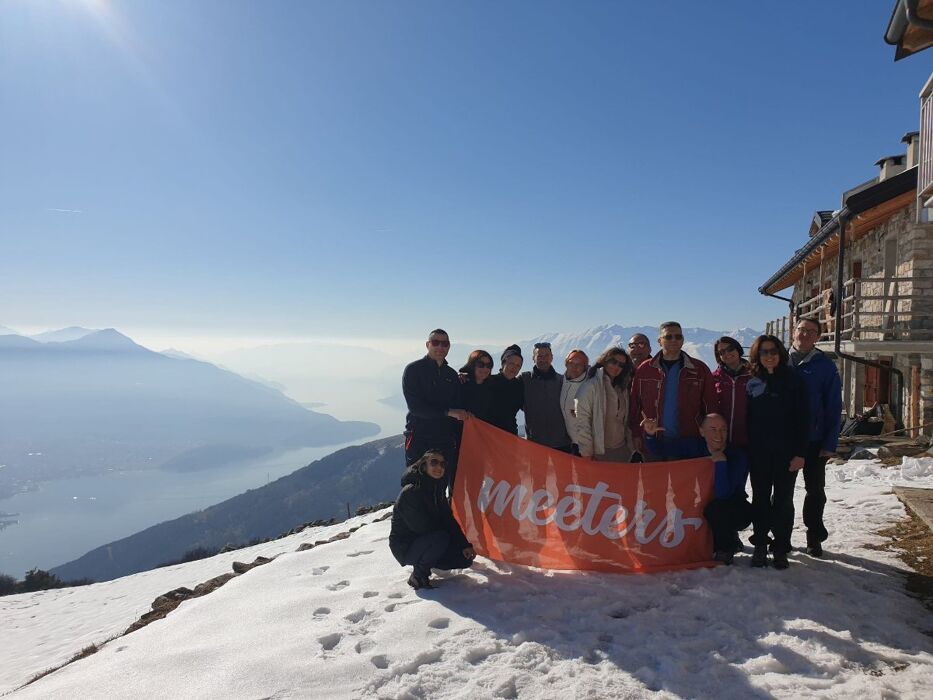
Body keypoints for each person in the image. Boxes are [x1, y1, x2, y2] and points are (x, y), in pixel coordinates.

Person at [745, 335, 810, 570]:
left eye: (773, 351)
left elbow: (804, 420)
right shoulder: (752, 382)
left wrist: (800, 453)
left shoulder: (794, 381)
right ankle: (761, 545)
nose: (769, 356)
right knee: (760, 499)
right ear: (757, 356)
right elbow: (747, 420)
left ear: (780, 354)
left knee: (783, 500)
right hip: (759, 452)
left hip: (787, 453)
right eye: (763, 352)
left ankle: (781, 547)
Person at [790, 317, 842, 557]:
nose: (805, 335)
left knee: (815, 491)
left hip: (814, 440)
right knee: (782, 492)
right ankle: (782, 534)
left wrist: (830, 443)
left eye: (811, 332)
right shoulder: (778, 360)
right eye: (802, 330)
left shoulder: (825, 365)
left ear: (818, 337)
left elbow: (833, 406)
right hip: (784, 440)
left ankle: (814, 535)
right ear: (794, 331)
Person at [630, 321, 716, 461]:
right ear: (660, 341)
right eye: (669, 337)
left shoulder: (699, 369)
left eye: (678, 337)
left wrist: (710, 433)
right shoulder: (645, 370)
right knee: (656, 481)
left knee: (685, 482)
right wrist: (636, 434)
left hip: (689, 441)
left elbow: (710, 405)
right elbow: (635, 404)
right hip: (654, 441)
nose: (674, 340)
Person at [389, 450, 476, 589]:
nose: (439, 467)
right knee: (440, 538)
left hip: (428, 541)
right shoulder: (410, 492)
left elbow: (448, 520)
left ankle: (428, 560)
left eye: (442, 464)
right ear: (424, 466)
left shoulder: (436, 491)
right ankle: (418, 576)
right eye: (434, 462)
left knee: (463, 559)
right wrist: (447, 538)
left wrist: (463, 544)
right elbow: (421, 527)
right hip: (405, 546)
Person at [402, 329, 469, 487]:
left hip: (443, 439)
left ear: (449, 346)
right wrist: (448, 412)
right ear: (427, 345)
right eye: (435, 342)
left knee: (441, 485)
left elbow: (458, 404)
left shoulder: (452, 375)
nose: (440, 347)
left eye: (444, 343)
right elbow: (415, 407)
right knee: (416, 485)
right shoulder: (413, 370)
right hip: (419, 437)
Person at [699, 413, 752, 565]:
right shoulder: (697, 446)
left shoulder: (738, 455)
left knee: (715, 509)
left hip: (737, 509)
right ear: (702, 431)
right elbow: (664, 449)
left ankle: (725, 549)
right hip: (708, 505)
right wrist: (650, 435)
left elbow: (723, 494)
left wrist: (721, 462)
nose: (719, 434)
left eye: (723, 430)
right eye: (713, 429)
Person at [574, 347, 634, 462]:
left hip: (622, 450)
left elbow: (625, 421)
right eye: (613, 362)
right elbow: (582, 421)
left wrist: (630, 447)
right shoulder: (591, 386)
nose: (616, 367)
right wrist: (586, 453)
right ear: (604, 361)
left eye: (621, 365)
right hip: (599, 453)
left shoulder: (621, 388)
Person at [521, 342, 573, 452]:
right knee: (537, 470)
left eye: (546, 356)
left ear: (552, 357)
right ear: (533, 358)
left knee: (563, 470)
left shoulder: (562, 381)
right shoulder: (524, 379)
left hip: (562, 442)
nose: (543, 359)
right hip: (535, 442)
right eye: (539, 356)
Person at [712, 336, 751, 448]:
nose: (727, 353)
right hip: (721, 441)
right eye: (722, 352)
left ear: (738, 349)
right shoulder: (713, 378)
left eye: (730, 349)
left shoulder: (754, 376)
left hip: (749, 440)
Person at [483, 345, 525, 434]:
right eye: (511, 363)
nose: (514, 368)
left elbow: (528, 408)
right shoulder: (487, 381)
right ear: (503, 363)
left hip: (509, 436)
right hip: (487, 435)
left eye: (518, 365)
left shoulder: (520, 386)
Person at [560, 349, 590, 454]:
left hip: (586, 444)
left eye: (579, 364)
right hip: (568, 442)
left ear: (585, 367)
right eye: (571, 363)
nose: (574, 367)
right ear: (566, 364)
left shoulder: (590, 384)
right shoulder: (561, 380)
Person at [459, 350, 495, 423]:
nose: (485, 368)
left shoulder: (493, 386)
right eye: (480, 364)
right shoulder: (461, 383)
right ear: (472, 365)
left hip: (483, 431)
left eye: (488, 366)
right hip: (461, 431)